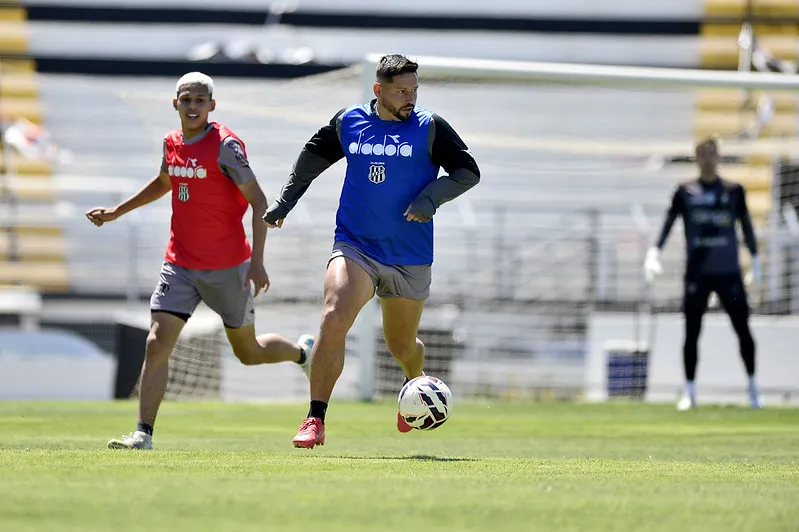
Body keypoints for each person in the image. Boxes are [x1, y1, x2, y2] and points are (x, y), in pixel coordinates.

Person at [86, 72, 313, 450]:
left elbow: (259, 201)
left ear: (211, 105)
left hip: (229, 268)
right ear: (175, 103)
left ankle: (302, 353)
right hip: (180, 263)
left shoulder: (226, 146)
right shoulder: (171, 143)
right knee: (157, 343)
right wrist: (117, 211)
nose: (192, 106)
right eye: (186, 99)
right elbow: (164, 181)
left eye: (200, 100)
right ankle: (143, 434)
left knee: (248, 353)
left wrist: (257, 261)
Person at [263, 54, 480, 448]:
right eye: (401, 91)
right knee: (334, 314)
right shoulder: (349, 122)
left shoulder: (430, 127)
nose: (409, 98)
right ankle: (315, 418)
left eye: (414, 90)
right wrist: (285, 200)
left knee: (402, 346)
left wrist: (431, 198)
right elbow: (312, 159)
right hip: (355, 245)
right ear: (378, 90)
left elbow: (468, 171)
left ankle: (413, 387)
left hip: (409, 256)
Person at [644, 136, 762, 410]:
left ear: (719, 157)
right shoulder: (685, 191)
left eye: (712, 154)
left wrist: (755, 260)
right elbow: (668, 223)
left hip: (729, 273)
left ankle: (753, 389)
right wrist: (654, 252)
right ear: (696, 158)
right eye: (703, 154)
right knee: (692, 332)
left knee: (743, 331)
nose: (708, 159)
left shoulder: (734, 191)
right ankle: (689, 391)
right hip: (697, 273)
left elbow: (746, 226)